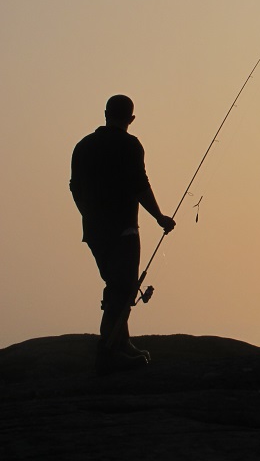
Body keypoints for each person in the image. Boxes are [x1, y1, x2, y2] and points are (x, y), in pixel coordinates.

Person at [70, 95, 176, 375]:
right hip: (124, 228)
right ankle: (109, 352)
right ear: (130, 119)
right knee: (122, 287)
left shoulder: (83, 146)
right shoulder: (129, 145)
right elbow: (139, 185)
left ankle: (122, 341)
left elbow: (74, 187)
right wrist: (159, 217)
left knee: (117, 282)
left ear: (105, 113)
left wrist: (88, 215)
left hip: (94, 230)